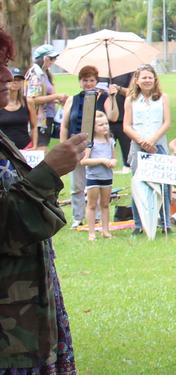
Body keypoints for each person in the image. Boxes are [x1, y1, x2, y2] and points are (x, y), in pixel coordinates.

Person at [0, 27, 82, 375]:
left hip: (25, 318)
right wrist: (48, 173)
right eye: (0, 66)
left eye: (5, 64)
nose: (8, 75)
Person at [122, 64, 173, 234]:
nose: (147, 80)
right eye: (144, 77)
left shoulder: (162, 97)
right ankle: (139, 224)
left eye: (150, 77)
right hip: (138, 145)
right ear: (137, 80)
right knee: (140, 184)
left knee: (163, 185)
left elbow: (167, 122)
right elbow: (127, 125)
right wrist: (141, 141)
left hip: (158, 144)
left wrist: (152, 140)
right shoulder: (130, 99)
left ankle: (165, 223)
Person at [59, 65, 108, 228]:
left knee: (97, 181)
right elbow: (65, 125)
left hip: (98, 144)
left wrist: (113, 97)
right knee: (77, 184)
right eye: (85, 80)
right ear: (80, 82)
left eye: (92, 80)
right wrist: (63, 145)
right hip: (76, 143)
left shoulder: (103, 98)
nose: (88, 83)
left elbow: (113, 117)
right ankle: (77, 217)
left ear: (97, 81)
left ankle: (99, 216)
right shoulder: (73, 100)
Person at [82, 112, 117, 240]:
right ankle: (91, 232)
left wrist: (113, 162)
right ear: (93, 127)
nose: (104, 127)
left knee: (105, 204)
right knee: (92, 204)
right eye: (101, 125)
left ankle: (105, 230)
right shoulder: (90, 143)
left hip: (107, 177)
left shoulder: (111, 141)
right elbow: (83, 161)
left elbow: (114, 158)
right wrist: (101, 160)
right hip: (93, 177)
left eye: (106, 124)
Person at [25, 44, 66, 147]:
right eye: (51, 58)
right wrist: (56, 96)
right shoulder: (35, 74)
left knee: (43, 147)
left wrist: (57, 100)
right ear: (44, 58)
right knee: (40, 149)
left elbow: (44, 96)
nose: (53, 61)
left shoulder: (45, 73)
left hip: (47, 117)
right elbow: (32, 99)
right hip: (39, 119)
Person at [0, 67, 36, 149]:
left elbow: (34, 126)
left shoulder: (28, 102)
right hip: (4, 150)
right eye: (13, 79)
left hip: (25, 148)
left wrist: (34, 146)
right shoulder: (1, 103)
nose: (15, 82)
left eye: (19, 80)